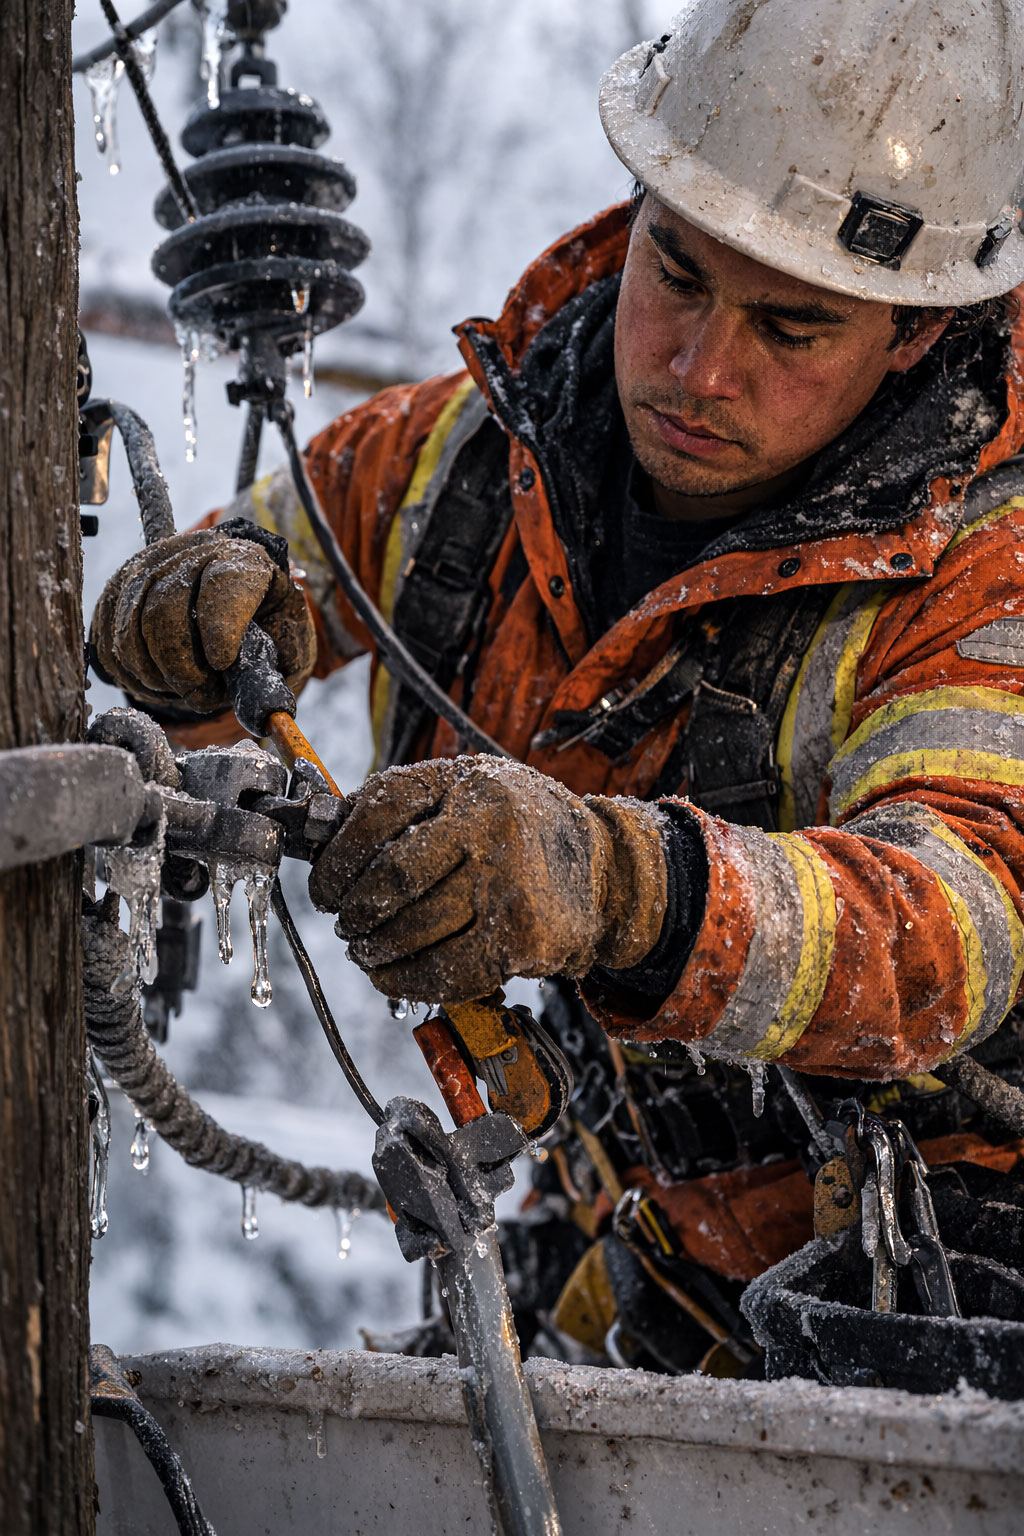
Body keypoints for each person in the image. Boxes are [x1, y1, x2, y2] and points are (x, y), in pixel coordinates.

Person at [91, 0, 1024, 1373]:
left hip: (934, 1318)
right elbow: (217, 642)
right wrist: (174, 620)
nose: (704, 369)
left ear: (915, 336)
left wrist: (615, 886)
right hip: (644, 1262)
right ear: (635, 208)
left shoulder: (984, 570)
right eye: (680, 273)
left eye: (794, 327)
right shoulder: (469, 465)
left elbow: (953, 933)